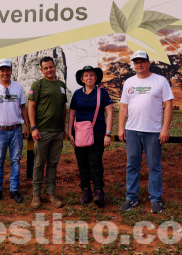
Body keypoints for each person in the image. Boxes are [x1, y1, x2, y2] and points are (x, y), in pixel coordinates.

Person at [118, 50, 174, 214]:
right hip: (132, 130)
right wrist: (121, 127)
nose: (139, 64)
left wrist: (165, 128)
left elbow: (168, 105)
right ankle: (131, 197)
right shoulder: (129, 82)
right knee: (132, 165)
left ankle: (156, 199)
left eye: (142, 61)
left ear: (149, 63)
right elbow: (123, 107)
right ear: (133, 65)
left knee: (154, 166)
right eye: (136, 62)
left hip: (153, 131)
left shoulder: (160, 81)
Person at [0, 59, 30, 204]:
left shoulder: (17, 87)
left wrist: (27, 126)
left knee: (15, 160)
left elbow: (23, 107)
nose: (5, 73)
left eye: (7, 70)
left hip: (16, 130)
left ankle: (14, 190)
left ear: (11, 71)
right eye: (2, 70)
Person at [67, 65, 113, 208]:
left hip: (98, 132)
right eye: (86, 75)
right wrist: (69, 132)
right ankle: (86, 190)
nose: (89, 78)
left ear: (96, 78)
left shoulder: (102, 93)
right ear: (82, 79)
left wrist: (108, 134)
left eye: (92, 75)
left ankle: (99, 191)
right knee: (82, 162)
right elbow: (72, 114)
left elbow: (110, 113)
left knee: (95, 162)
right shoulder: (77, 94)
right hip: (79, 133)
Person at [28, 56, 68, 209]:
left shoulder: (61, 85)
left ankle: (51, 193)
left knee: (53, 164)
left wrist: (63, 127)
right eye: (46, 68)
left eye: (51, 67)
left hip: (58, 132)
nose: (49, 70)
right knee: (38, 164)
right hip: (42, 132)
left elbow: (63, 107)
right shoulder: (38, 85)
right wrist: (33, 128)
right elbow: (31, 107)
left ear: (55, 66)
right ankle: (36, 194)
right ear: (41, 70)